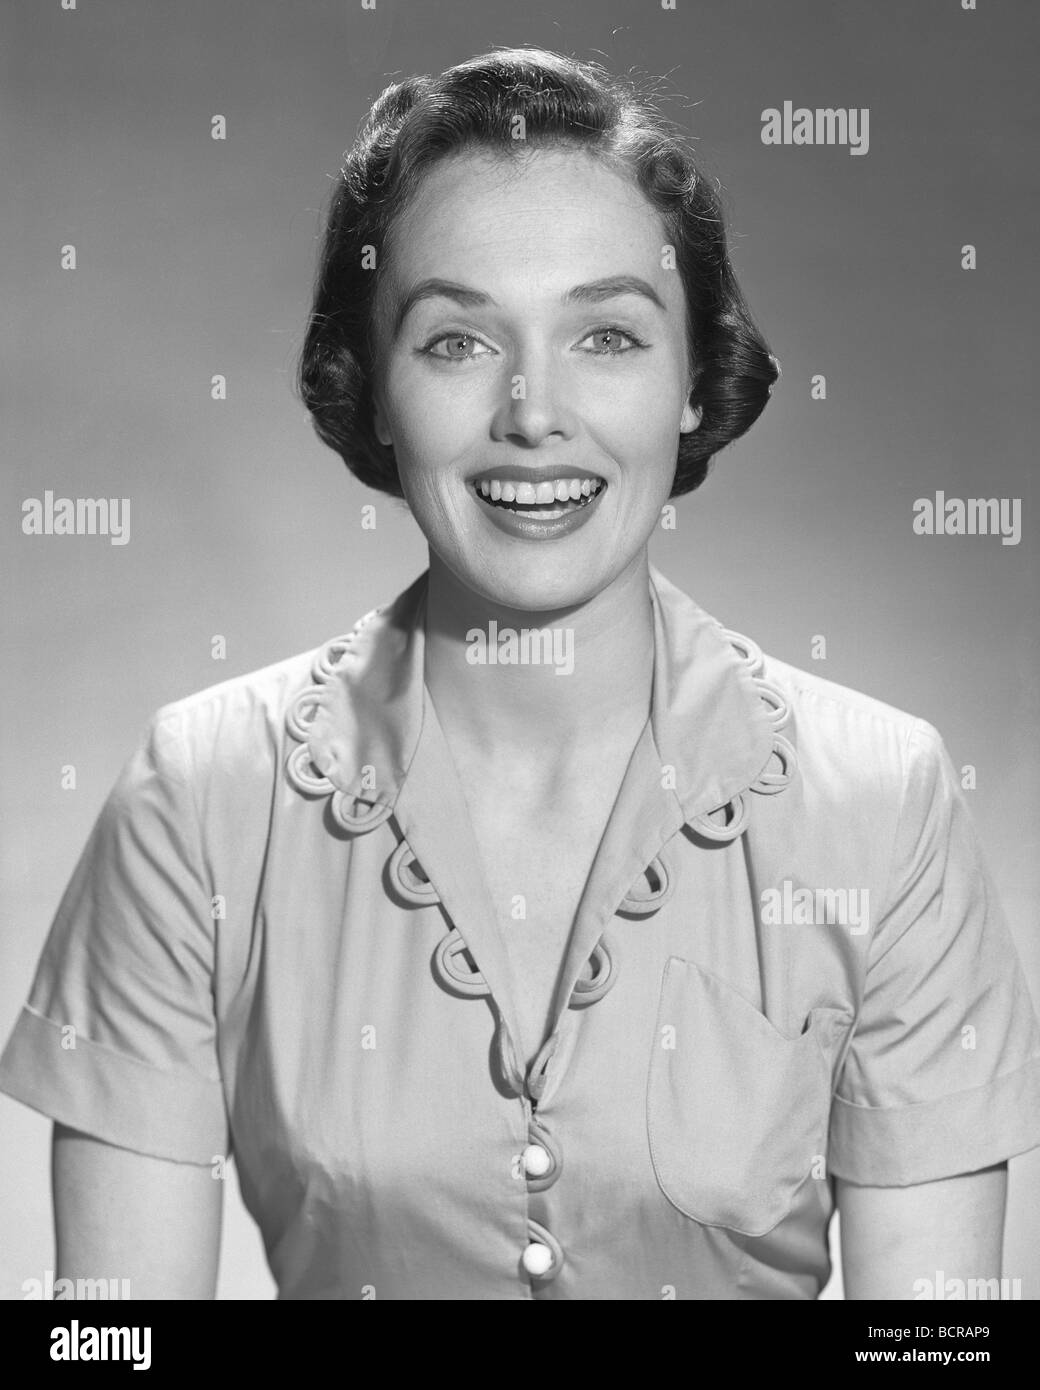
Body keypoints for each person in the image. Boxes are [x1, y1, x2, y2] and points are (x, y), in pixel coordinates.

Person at [3, 46, 1039, 1302]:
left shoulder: (882, 804)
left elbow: (935, 1347)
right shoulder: (198, 797)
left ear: (691, 382)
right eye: (454, 342)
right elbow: (109, 1342)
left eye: (605, 335)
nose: (532, 412)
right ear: (371, 390)